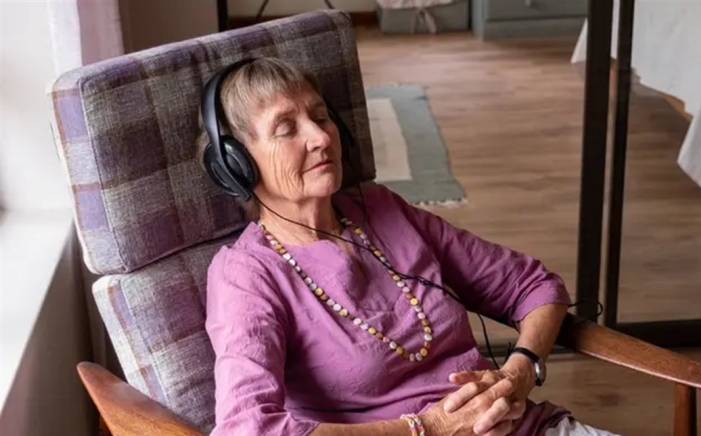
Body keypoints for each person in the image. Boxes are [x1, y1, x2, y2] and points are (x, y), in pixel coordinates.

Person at [198, 57, 620, 436]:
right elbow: (247, 429)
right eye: (287, 129)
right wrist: (429, 428)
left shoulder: (382, 209)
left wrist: (519, 372)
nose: (321, 137)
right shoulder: (246, 275)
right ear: (236, 164)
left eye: (322, 116)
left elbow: (534, 285)